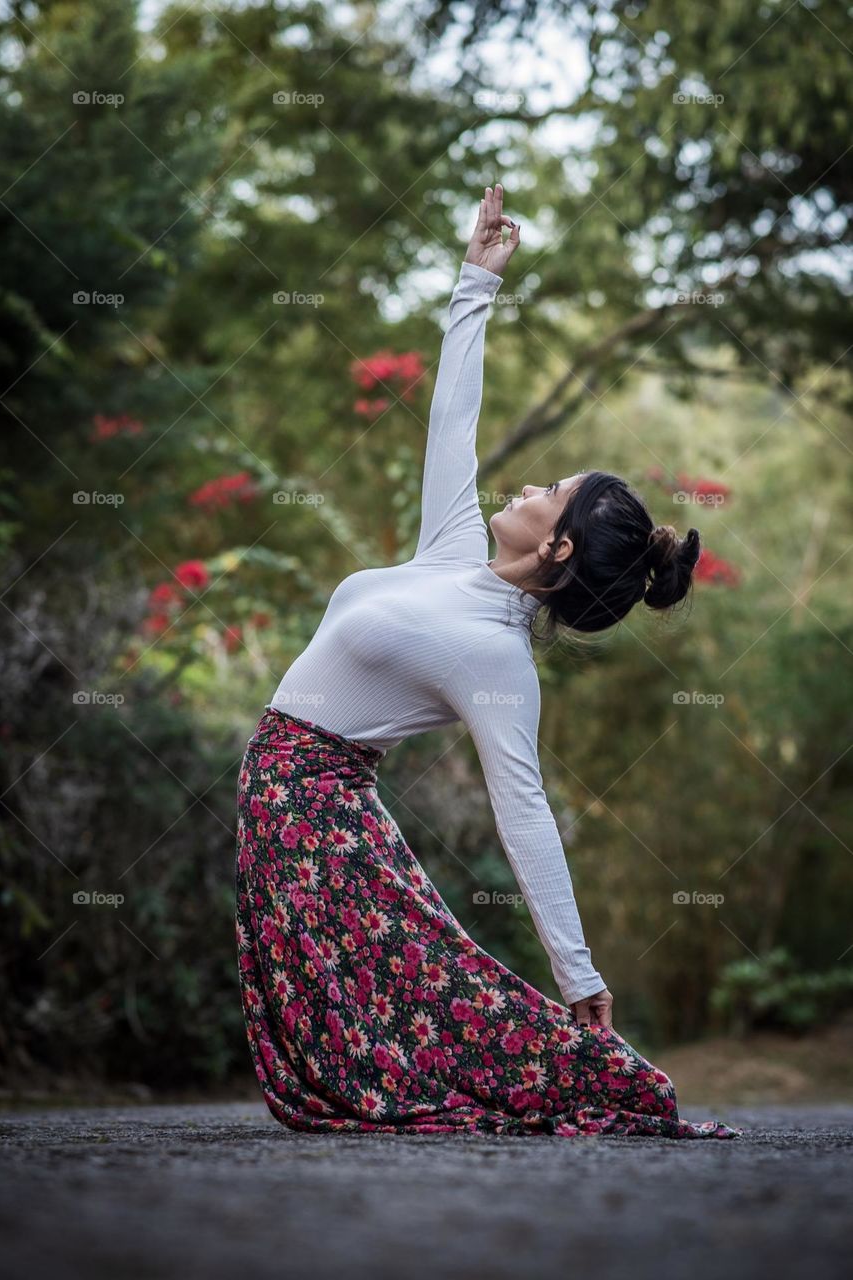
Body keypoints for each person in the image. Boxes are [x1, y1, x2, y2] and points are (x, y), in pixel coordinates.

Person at [235, 183, 742, 1139]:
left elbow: (527, 816)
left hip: (317, 811)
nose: (534, 484)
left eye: (553, 492)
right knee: (380, 1021)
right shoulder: (453, 548)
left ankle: (595, 1071)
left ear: (556, 549)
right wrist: (476, 280)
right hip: (297, 808)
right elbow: (450, 420)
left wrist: (579, 973)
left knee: (422, 1012)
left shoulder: (496, 658)